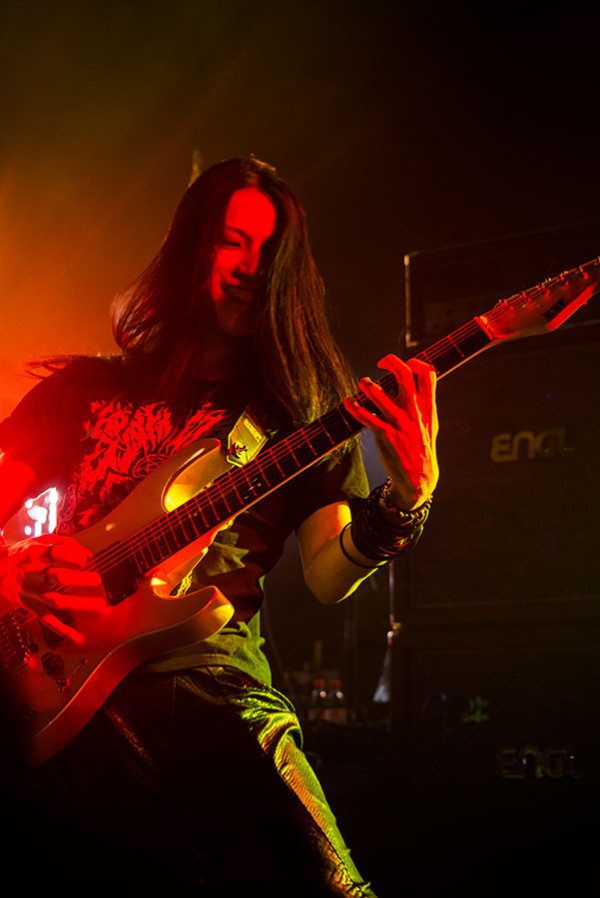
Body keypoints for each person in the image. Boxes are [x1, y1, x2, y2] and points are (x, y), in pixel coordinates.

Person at [0, 155, 438, 896]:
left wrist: (408, 496)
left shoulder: (298, 418)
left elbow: (330, 575)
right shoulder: (83, 390)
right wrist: (20, 575)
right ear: (189, 248)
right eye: (233, 241)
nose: (250, 267)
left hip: (210, 692)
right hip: (57, 691)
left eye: (270, 253)